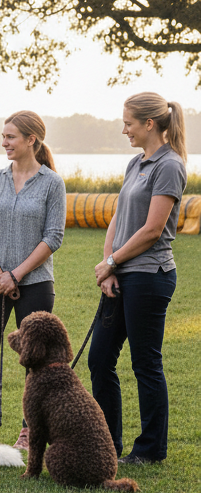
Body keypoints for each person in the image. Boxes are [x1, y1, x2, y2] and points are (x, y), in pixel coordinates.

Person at [89, 92, 188, 466]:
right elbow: (118, 216)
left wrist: (114, 261)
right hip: (121, 274)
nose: (124, 129)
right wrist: (107, 265)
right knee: (99, 359)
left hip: (150, 277)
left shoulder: (170, 165)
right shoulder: (137, 163)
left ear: (149, 124)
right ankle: (107, 442)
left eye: (129, 123)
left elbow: (151, 230)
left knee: (145, 363)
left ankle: (149, 450)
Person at [0, 111, 66, 448]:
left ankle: (30, 432)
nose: (4, 142)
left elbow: (53, 236)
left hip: (36, 284)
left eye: (10, 137)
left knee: (35, 362)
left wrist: (17, 274)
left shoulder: (52, 183)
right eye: (3, 136)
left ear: (31, 140)